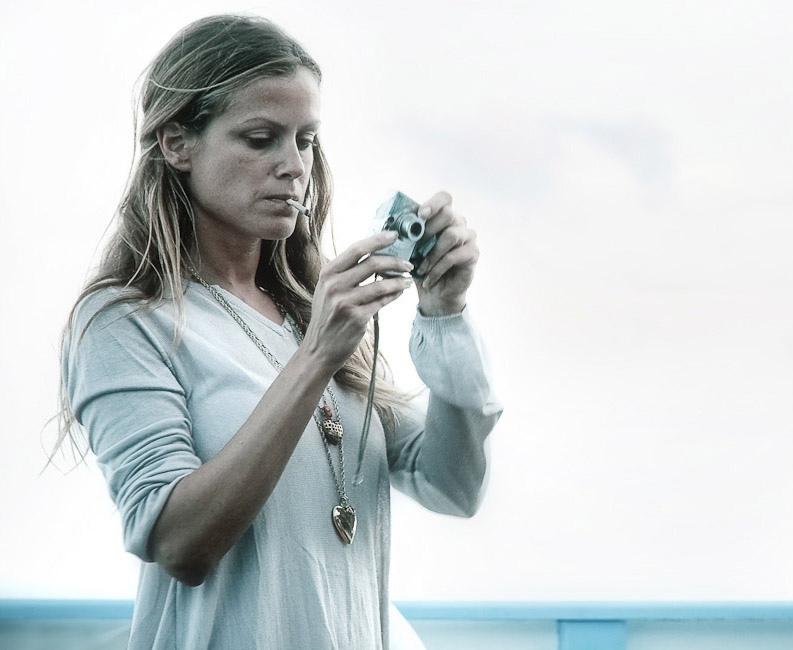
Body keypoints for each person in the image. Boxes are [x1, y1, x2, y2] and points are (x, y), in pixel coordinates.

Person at [56, 13, 501, 650]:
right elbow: (178, 544)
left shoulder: (308, 310)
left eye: (307, 140)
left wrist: (445, 315)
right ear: (178, 144)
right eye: (261, 138)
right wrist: (316, 357)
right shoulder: (126, 321)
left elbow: (452, 486)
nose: (294, 166)